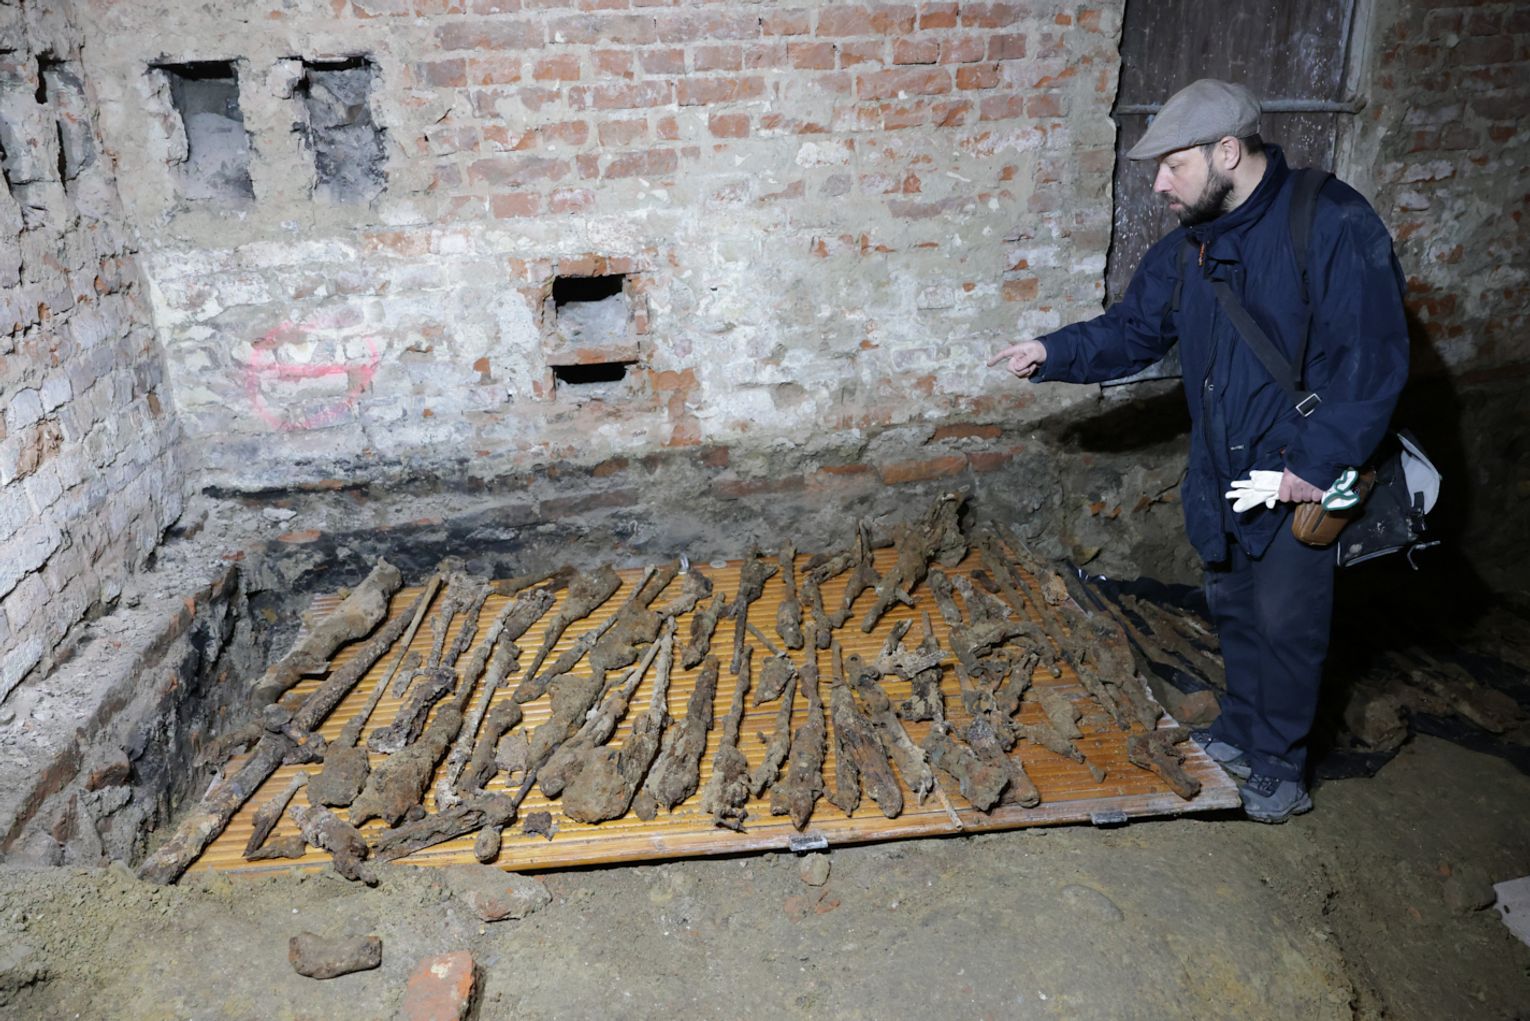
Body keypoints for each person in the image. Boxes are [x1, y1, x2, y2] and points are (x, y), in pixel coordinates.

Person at [988, 79, 1409, 823]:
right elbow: (1134, 329)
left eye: (1173, 165)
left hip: (1300, 468)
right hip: (1223, 464)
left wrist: (1311, 471)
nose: (1159, 184)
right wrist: (1051, 351)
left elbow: (1370, 362)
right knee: (1235, 604)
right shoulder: (1195, 243)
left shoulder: (1333, 222)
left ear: (1227, 153)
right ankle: (1244, 729)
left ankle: (1279, 767)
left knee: (1287, 621)